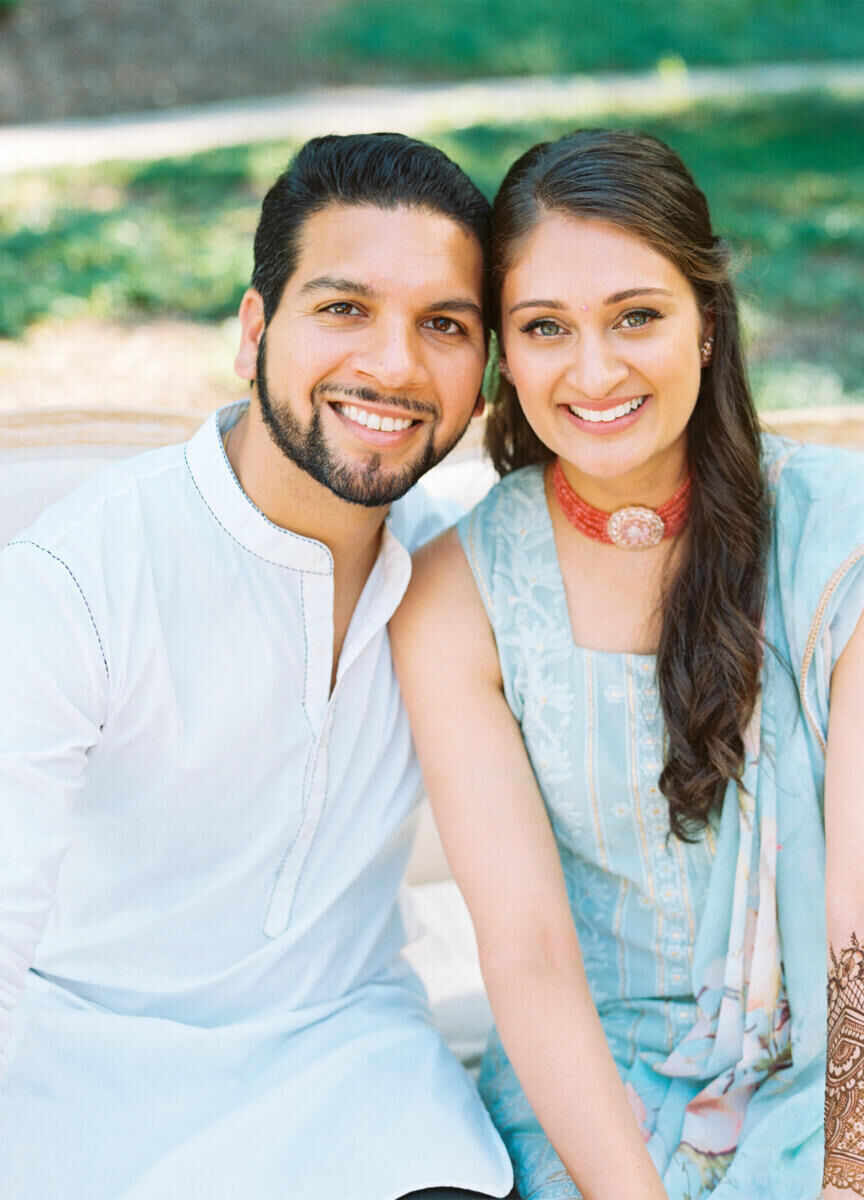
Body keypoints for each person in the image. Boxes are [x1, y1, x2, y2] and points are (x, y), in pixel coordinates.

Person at [0, 132, 515, 1200]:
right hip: (85, 1080)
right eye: (342, 308)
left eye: (445, 326)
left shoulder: (463, 577)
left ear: (485, 375)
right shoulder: (79, 581)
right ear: (253, 331)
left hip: (351, 1072)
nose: (393, 364)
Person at [391, 129, 864, 1200]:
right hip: (594, 1098)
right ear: (504, 352)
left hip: (839, 1081)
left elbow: (857, 939)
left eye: (636, 317)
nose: (593, 371)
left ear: (708, 324)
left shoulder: (843, 541)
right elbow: (529, 956)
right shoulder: (456, 597)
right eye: (546, 327)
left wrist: (845, 1180)